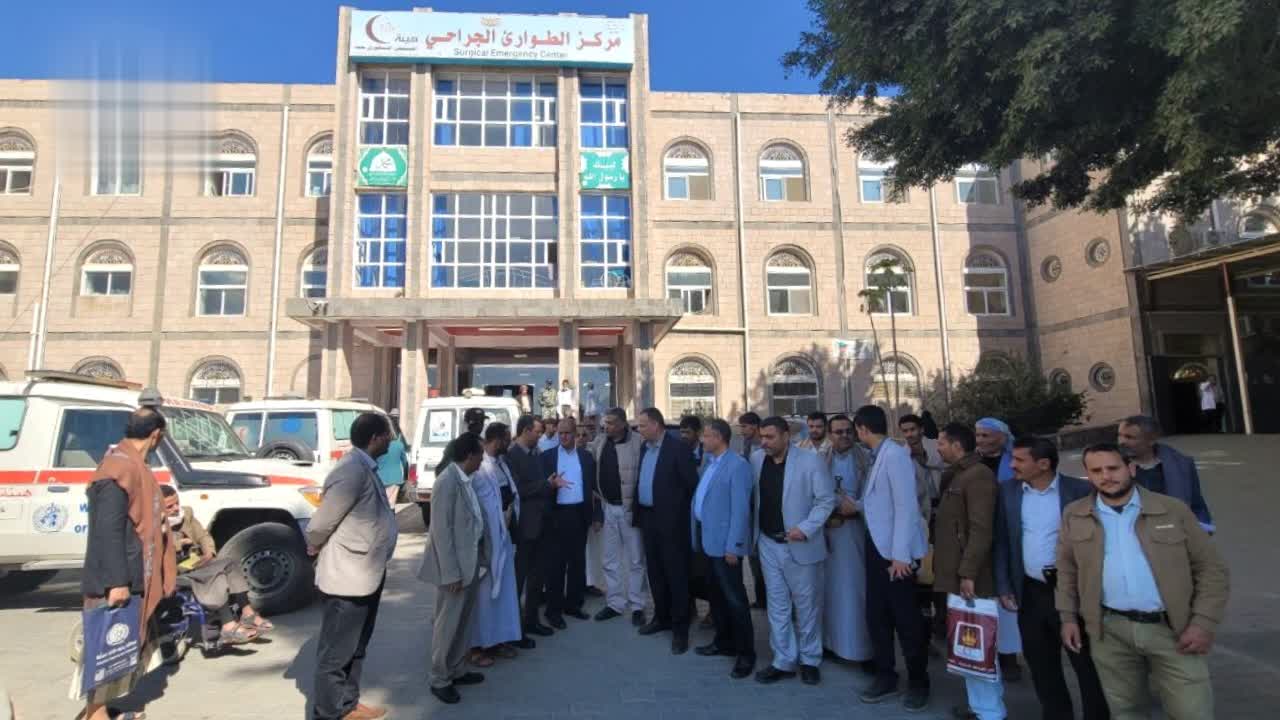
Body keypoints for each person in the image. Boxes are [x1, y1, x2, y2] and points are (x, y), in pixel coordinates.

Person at [1057, 443, 1229, 720]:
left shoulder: (1172, 509)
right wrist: (1067, 617)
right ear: (1088, 475)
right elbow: (1067, 570)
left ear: (1131, 468)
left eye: (1113, 468)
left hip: (1173, 631)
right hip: (1110, 632)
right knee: (1126, 712)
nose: (1106, 476)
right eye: (1096, 471)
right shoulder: (1075, 514)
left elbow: (1211, 570)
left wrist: (1203, 624)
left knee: (1192, 712)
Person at [994, 437, 1109, 720]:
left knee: (1087, 665)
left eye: (1019, 460)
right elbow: (1002, 542)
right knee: (1042, 665)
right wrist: (1004, 585)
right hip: (1031, 593)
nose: (1012, 465)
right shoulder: (1008, 492)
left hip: (1073, 593)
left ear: (1043, 464)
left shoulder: (1080, 491)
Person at [74, 408, 177, 720]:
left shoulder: (132, 465)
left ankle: (101, 709)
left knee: (121, 647)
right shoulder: (117, 469)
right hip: (117, 577)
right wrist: (117, 582)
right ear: (156, 435)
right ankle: (95, 715)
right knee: (106, 648)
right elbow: (107, 531)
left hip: (133, 570)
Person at [307, 412, 399, 720]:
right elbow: (320, 524)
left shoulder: (365, 467)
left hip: (366, 574)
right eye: (387, 436)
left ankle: (348, 703)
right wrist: (314, 545)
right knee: (336, 652)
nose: (391, 441)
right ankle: (328, 712)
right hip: (346, 576)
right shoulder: (350, 470)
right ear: (375, 438)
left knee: (356, 646)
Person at [750, 416, 836, 685]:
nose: (764, 442)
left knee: (807, 606)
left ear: (786, 436)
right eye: (762, 437)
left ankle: (810, 659)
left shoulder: (810, 461)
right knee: (777, 605)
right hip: (768, 542)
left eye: (770, 437)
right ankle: (783, 660)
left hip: (800, 544)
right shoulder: (756, 460)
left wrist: (806, 528)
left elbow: (826, 500)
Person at [855, 405, 930, 711]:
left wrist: (900, 556)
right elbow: (880, 502)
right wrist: (856, 505)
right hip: (877, 548)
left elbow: (906, 507)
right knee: (877, 616)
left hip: (895, 555)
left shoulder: (896, 455)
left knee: (906, 621)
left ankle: (918, 682)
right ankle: (886, 675)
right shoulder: (878, 455)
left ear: (862, 429)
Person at [933, 423, 1004, 720]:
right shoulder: (960, 474)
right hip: (959, 575)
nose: (937, 449)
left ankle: (991, 712)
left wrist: (968, 572)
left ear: (956, 445)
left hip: (971, 578)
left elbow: (980, 529)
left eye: (941, 443)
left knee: (980, 643)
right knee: (968, 644)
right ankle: (980, 707)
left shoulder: (978, 476)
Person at [419, 432, 489, 705]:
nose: (482, 460)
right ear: (469, 455)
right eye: (480, 455)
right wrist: (450, 573)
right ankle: (439, 678)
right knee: (447, 625)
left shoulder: (465, 479)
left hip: (470, 565)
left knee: (464, 622)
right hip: (455, 571)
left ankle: (457, 668)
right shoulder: (446, 481)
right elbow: (441, 531)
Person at [160, 485, 270, 644]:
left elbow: (203, 536)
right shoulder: (153, 525)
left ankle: (247, 613)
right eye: (170, 507)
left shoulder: (186, 514)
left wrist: (209, 553)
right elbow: (156, 550)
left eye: (177, 503)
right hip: (175, 570)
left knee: (230, 562)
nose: (176, 508)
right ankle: (228, 625)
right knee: (216, 574)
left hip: (195, 562)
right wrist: (179, 544)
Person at [691, 418, 757, 678]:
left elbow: (741, 510)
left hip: (725, 546)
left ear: (719, 438)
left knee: (735, 600)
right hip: (708, 542)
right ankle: (724, 641)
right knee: (716, 597)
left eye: (706, 436)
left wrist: (734, 546)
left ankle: (746, 654)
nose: (702, 440)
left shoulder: (738, 466)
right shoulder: (710, 462)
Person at [633, 407, 699, 654]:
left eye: (642, 425)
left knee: (676, 574)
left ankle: (680, 629)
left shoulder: (678, 449)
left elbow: (691, 486)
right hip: (648, 518)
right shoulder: (645, 448)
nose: (639, 430)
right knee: (655, 572)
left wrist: (677, 514)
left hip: (672, 523)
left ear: (655, 425)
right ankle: (662, 618)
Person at [466, 423, 526, 668]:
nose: (509, 443)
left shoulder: (502, 463)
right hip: (486, 542)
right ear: (497, 440)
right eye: (507, 439)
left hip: (504, 537)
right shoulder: (478, 468)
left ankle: (498, 639)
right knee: (483, 597)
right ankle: (477, 646)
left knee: (502, 594)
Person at [821, 414, 874, 669]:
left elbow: (876, 494)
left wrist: (856, 508)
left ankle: (860, 650)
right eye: (838, 432)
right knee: (830, 592)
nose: (844, 436)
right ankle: (830, 644)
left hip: (855, 534)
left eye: (848, 431)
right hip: (828, 535)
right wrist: (832, 505)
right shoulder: (820, 459)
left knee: (855, 592)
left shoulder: (866, 459)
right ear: (830, 435)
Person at [588, 407, 648, 626]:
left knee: (635, 559)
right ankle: (614, 603)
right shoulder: (600, 441)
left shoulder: (638, 442)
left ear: (623, 424)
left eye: (611, 422)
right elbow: (588, 456)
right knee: (609, 559)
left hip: (629, 508)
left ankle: (637, 606)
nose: (607, 426)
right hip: (608, 508)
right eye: (605, 422)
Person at [974, 417, 1022, 680]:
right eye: (978, 435)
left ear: (1002, 437)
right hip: (981, 538)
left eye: (986, 435)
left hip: (1010, 536)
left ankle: (1009, 655)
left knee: (1007, 597)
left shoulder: (1015, 463)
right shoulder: (973, 464)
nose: (980, 440)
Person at [539, 416, 598, 629]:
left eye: (567, 433)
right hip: (556, 516)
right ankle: (553, 611)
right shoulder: (546, 457)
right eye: (560, 433)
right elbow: (540, 488)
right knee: (556, 566)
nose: (563, 437)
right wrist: (551, 485)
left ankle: (573, 605)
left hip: (579, 515)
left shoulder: (586, 457)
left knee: (577, 563)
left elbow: (593, 487)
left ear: (575, 434)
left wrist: (596, 516)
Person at [1117, 415, 1214, 533]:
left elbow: (1197, 504)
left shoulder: (1181, 464)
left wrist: (1203, 529)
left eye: (1129, 437)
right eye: (1119, 435)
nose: (1121, 442)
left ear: (1151, 440)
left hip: (1172, 533)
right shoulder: (1107, 467)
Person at [506, 415, 555, 637]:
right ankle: (514, 628)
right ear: (525, 431)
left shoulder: (537, 453)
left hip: (542, 524)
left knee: (537, 576)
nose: (540, 435)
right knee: (519, 578)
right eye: (537, 432)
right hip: (525, 527)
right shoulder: (511, 456)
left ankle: (532, 621)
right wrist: (546, 484)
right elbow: (518, 490)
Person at [425, 407, 488, 528]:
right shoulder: (457, 445)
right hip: (464, 502)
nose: (480, 426)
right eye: (477, 422)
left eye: (481, 422)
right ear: (468, 423)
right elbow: (442, 471)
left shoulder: (483, 443)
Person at [733, 411, 768, 611]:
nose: (742, 430)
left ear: (754, 426)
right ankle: (760, 597)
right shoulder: (746, 445)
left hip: (764, 506)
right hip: (750, 505)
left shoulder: (764, 446)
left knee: (764, 558)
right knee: (753, 558)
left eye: (744, 426)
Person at [578, 423, 606, 598]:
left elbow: (597, 489)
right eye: (578, 435)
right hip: (569, 514)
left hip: (588, 511)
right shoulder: (558, 458)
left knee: (591, 552)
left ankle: (589, 583)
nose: (581, 438)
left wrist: (598, 516)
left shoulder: (590, 458)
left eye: (584, 435)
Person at [899, 414, 942, 524]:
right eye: (905, 431)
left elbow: (944, 464)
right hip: (921, 510)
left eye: (912, 429)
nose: (909, 434)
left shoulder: (937, 445)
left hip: (943, 502)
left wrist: (922, 455)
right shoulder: (901, 455)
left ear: (921, 429)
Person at [376, 411, 408, 507]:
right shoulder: (399, 445)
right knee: (391, 503)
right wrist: (406, 477)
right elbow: (405, 463)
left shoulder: (377, 445)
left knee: (380, 504)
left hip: (379, 478)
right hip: (395, 478)